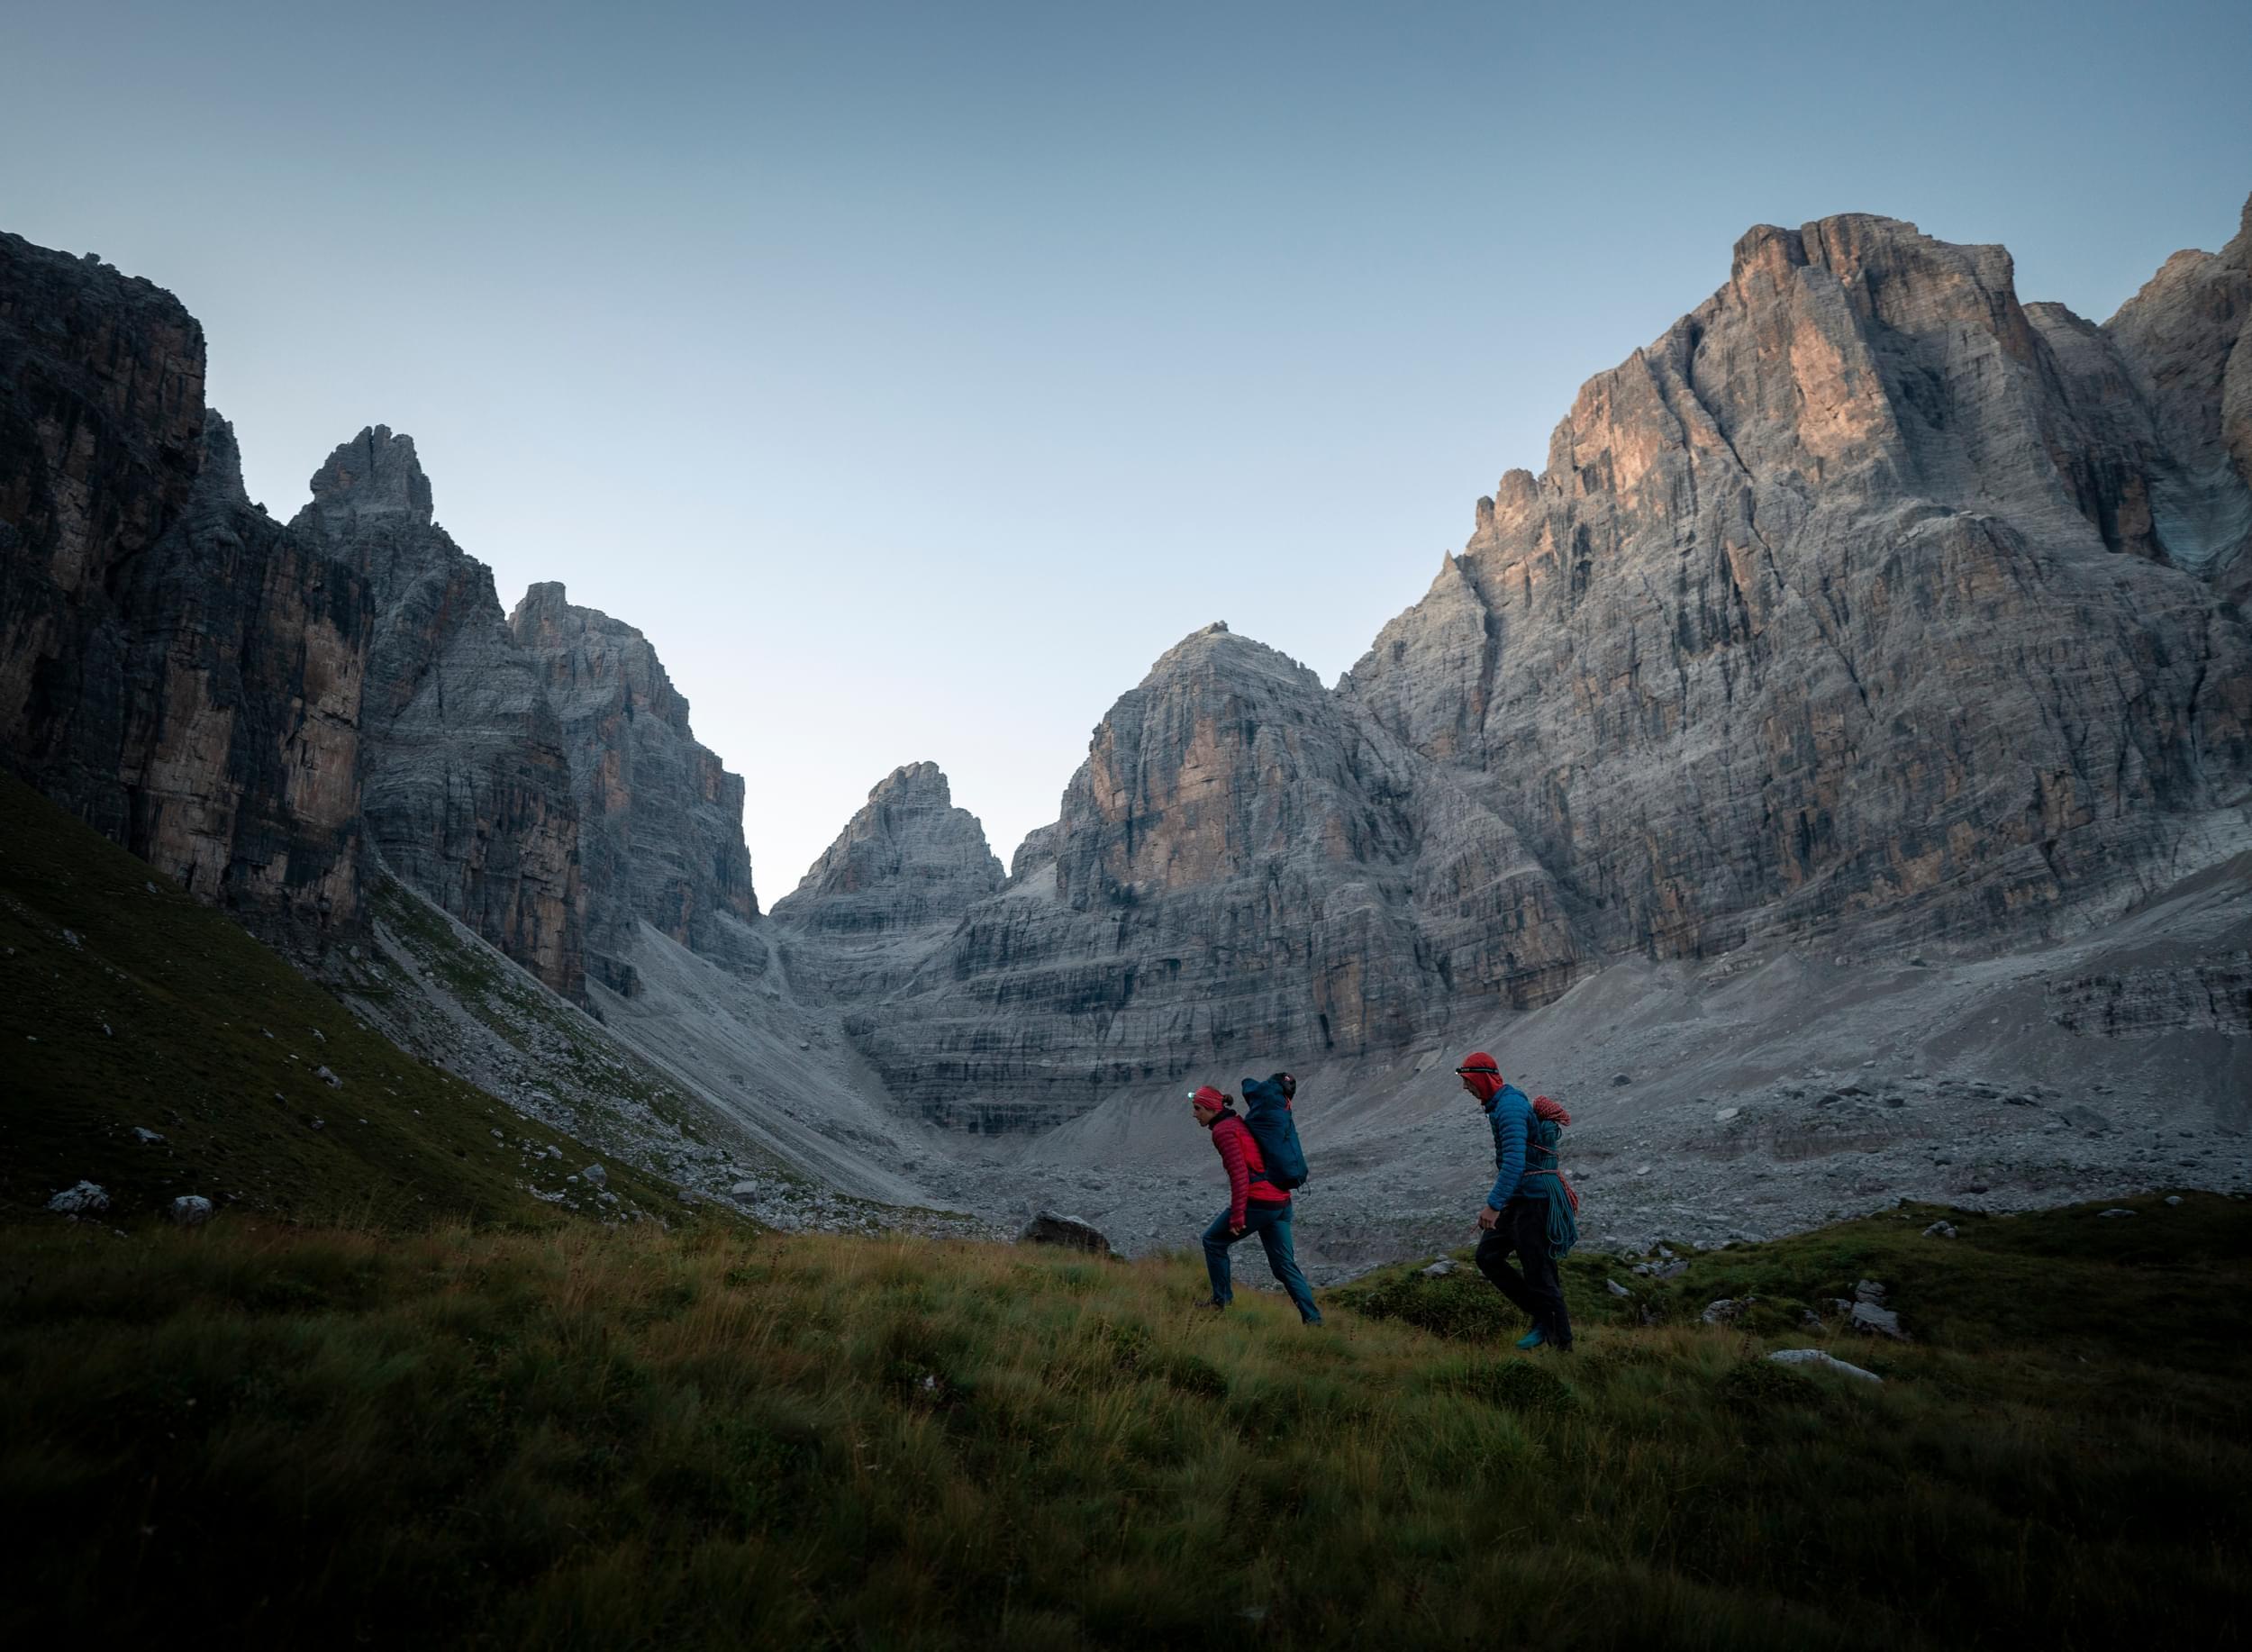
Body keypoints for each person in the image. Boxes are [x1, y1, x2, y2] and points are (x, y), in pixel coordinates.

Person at [1457, 1052, 1576, 1350]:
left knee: (1540, 1273)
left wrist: (1493, 1205)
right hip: (1522, 1197)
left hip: (1534, 1200)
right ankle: (1542, 1319)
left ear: (1483, 1079)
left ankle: (1563, 1347)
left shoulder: (1509, 1108)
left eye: (1468, 1081)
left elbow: (1514, 1163)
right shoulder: (1501, 1104)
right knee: (1488, 1256)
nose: (1465, 1088)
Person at [1188, 1085, 1322, 1324]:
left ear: (1211, 1108)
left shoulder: (1223, 1131)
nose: (1194, 1114)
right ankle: (1313, 1320)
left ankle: (1221, 1303)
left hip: (1259, 1201)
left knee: (1213, 1241)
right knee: (1284, 1265)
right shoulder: (1237, 1122)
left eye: (1197, 1108)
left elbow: (1240, 1174)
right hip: (1281, 1201)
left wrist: (1238, 1214)